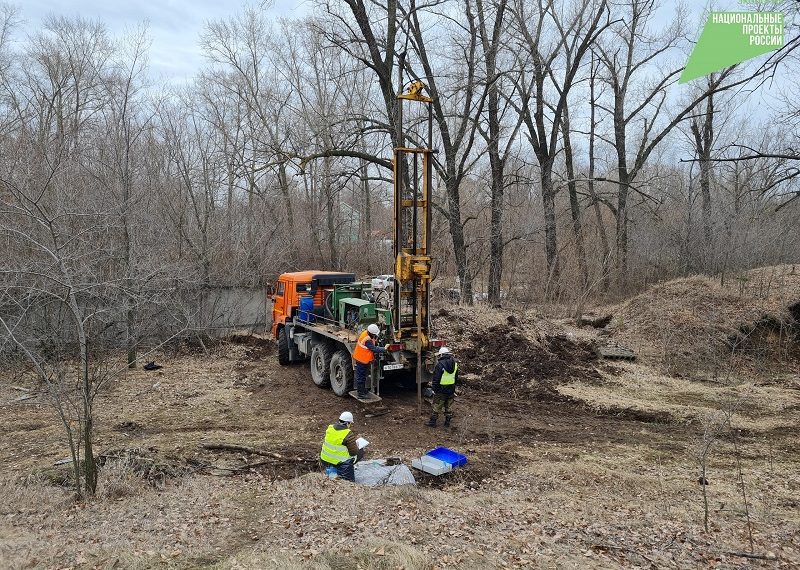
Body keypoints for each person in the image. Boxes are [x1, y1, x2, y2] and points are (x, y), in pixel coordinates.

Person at [320, 411, 364, 481]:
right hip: (340, 463)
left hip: (325, 460)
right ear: (347, 423)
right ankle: (345, 475)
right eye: (350, 423)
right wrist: (357, 446)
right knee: (360, 451)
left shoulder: (330, 428)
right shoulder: (347, 433)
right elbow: (353, 453)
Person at [351, 323, 387, 399]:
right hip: (361, 360)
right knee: (361, 377)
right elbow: (374, 349)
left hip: (363, 359)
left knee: (363, 376)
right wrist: (384, 349)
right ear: (372, 333)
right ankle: (360, 394)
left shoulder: (366, 333)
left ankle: (362, 390)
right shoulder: (367, 340)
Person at [425, 347, 459, 428]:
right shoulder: (455, 364)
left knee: (436, 406)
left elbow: (436, 379)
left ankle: (432, 422)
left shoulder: (440, 365)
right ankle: (447, 422)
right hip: (451, 389)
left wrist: (434, 389)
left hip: (441, 390)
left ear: (442, 355)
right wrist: (453, 387)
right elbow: (456, 378)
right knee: (449, 406)